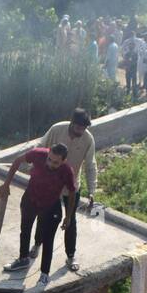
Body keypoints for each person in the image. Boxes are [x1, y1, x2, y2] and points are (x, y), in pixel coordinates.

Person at [0, 144, 77, 286]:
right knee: (25, 230)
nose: (50, 164)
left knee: (48, 240)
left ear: (63, 161)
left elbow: (72, 192)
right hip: (31, 199)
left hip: (51, 206)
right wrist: (6, 184)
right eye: (49, 159)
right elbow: (17, 160)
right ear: (47, 154)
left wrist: (68, 216)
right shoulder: (37, 154)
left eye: (55, 162)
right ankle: (23, 259)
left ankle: (44, 274)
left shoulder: (67, 171)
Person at [38, 110, 97, 274]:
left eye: (83, 129)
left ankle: (70, 256)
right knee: (44, 215)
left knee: (70, 221)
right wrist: (39, 173)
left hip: (71, 186)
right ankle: (37, 245)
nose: (80, 132)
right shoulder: (57, 130)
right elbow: (40, 149)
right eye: (78, 128)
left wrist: (92, 190)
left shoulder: (88, 139)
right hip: (50, 183)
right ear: (72, 123)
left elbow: (91, 165)